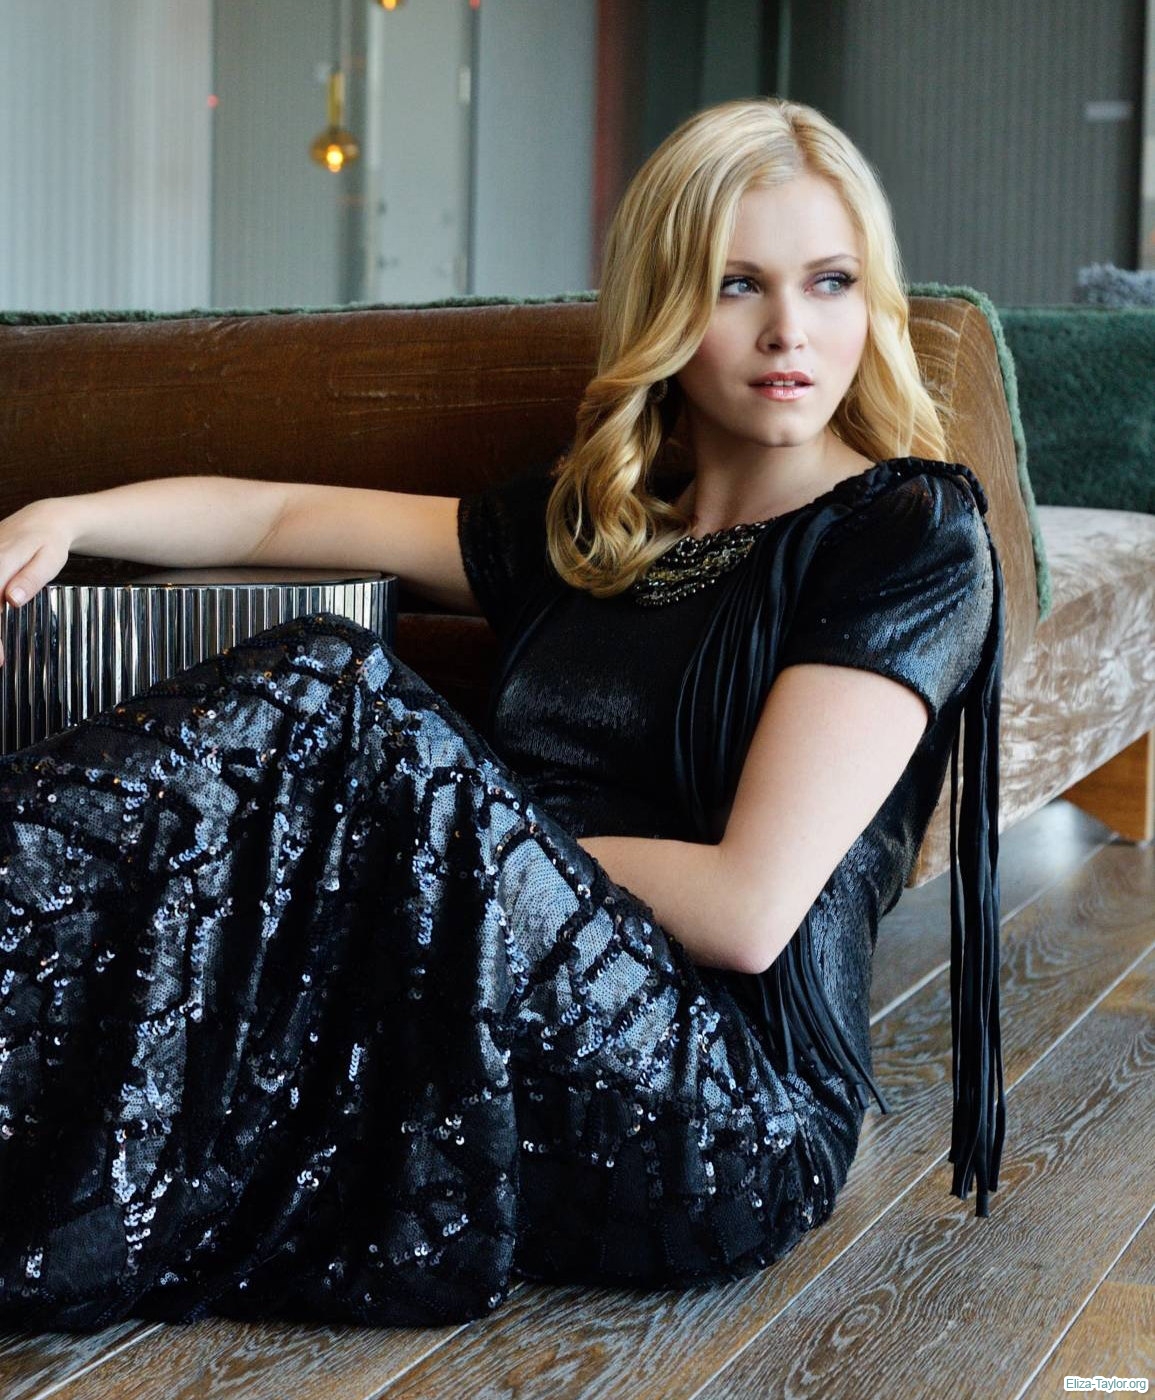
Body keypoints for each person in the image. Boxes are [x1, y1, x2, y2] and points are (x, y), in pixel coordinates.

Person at [0, 96, 1004, 1333]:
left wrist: (437, 832)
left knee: (342, 694)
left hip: (725, 1111)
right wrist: (69, 516)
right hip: (484, 1026)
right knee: (291, 770)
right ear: (667, 304)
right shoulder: (598, 531)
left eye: (831, 281)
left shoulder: (907, 533)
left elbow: (749, 909)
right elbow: (279, 517)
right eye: (737, 282)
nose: (789, 328)